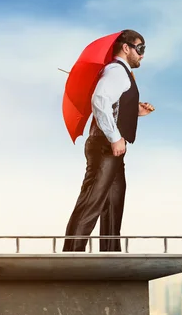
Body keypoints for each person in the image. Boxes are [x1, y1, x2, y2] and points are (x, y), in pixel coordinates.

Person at [62, 29, 154, 252]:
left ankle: (110, 255)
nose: (142, 54)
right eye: (140, 48)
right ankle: (70, 258)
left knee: (113, 201)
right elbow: (100, 100)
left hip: (113, 150)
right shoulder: (116, 72)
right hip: (105, 146)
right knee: (92, 201)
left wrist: (134, 111)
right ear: (126, 48)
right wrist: (114, 138)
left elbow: (112, 106)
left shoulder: (121, 73)